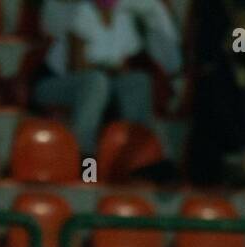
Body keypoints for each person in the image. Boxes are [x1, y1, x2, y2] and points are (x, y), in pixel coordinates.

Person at [33, 0, 177, 155]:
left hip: (103, 85)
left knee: (138, 81)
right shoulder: (82, 12)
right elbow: (77, 67)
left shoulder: (123, 19)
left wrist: (109, 69)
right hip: (54, 85)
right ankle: (85, 156)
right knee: (95, 81)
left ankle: (139, 155)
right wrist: (109, 69)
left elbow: (123, 69)